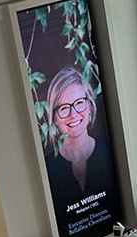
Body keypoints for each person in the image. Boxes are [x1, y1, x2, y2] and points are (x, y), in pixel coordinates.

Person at [43, 65, 116, 204]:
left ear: (89, 106)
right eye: (64, 108)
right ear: (54, 118)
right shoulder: (47, 168)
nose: (73, 114)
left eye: (79, 103)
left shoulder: (110, 152)